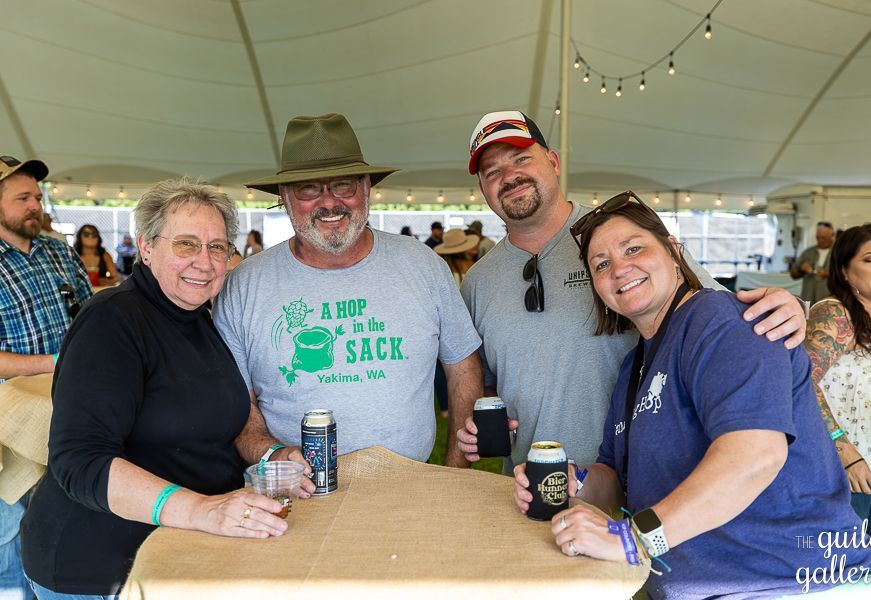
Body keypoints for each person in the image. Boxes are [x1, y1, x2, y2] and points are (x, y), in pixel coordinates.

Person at [513, 192, 871, 597]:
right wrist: (576, 482)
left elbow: (755, 455)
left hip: (792, 585)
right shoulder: (633, 366)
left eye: (633, 248)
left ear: (674, 252)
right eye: (601, 264)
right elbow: (618, 481)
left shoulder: (719, 320)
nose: (620, 269)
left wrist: (632, 540)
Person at [456, 111, 808, 471]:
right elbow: (490, 387)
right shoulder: (478, 282)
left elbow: (726, 316)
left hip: (651, 484)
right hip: (538, 485)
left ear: (553, 161)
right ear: (483, 188)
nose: (509, 177)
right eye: (492, 172)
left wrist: (791, 308)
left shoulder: (621, 235)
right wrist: (491, 428)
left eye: (521, 159)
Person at [20, 180, 296, 599]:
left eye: (218, 247)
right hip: (99, 568)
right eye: (186, 244)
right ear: (146, 247)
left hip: (179, 552)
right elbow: (79, 460)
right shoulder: (112, 321)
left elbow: (219, 419)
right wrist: (202, 509)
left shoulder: (198, 318)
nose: (204, 262)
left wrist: (274, 457)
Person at [213, 113, 483, 472]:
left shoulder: (422, 265)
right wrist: (272, 454)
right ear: (284, 196)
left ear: (367, 186)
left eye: (343, 185)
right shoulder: (244, 285)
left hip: (409, 490)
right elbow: (236, 403)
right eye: (309, 188)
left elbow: (463, 366)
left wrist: (454, 473)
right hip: (295, 498)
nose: (328, 203)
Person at [0, 154, 92, 600]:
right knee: (10, 530)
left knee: (64, 512)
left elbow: (91, 317)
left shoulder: (58, 250)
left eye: (36, 196)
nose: (35, 205)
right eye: (22, 198)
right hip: (10, 422)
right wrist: (55, 362)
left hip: (70, 409)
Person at [804, 223, 871, 574]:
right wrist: (842, 449)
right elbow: (800, 381)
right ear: (845, 270)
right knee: (840, 565)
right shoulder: (836, 314)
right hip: (842, 465)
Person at [790, 221, 834, 304]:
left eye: (823, 237)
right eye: (818, 237)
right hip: (808, 300)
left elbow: (847, 276)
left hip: (828, 302)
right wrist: (801, 268)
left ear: (831, 236)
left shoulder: (838, 253)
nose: (820, 240)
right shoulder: (807, 253)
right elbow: (793, 274)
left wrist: (829, 274)